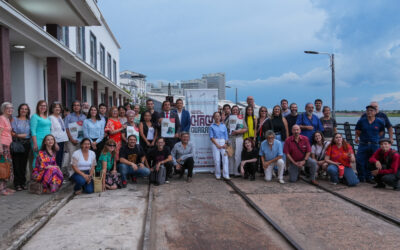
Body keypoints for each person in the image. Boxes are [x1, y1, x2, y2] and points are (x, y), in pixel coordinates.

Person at [355, 105, 385, 183]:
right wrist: (359, 137)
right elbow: (357, 130)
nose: (369, 112)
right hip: (363, 144)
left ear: (375, 112)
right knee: (359, 160)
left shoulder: (379, 122)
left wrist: (376, 138)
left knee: (372, 161)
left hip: (374, 144)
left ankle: (369, 177)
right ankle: (361, 177)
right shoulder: (362, 121)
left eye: (371, 110)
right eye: (368, 110)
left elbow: (382, 131)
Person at [11, 103, 31, 191]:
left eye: (26, 109)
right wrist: (20, 135)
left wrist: (23, 136)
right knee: (16, 164)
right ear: (19, 110)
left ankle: (23, 182)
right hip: (17, 143)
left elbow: (30, 133)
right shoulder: (14, 119)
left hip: (26, 144)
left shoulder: (29, 120)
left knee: (23, 164)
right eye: (22, 109)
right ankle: (17, 184)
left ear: (28, 111)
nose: (24, 110)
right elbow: (11, 132)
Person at [64, 101, 86, 178]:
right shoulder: (68, 117)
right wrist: (71, 139)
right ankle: (71, 174)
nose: (76, 107)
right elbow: (66, 129)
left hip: (81, 141)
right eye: (74, 105)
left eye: (78, 105)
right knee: (72, 156)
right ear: (72, 107)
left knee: (80, 157)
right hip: (71, 141)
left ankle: (79, 173)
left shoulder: (84, 117)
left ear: (80, 107)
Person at [226, 105, 248, 176]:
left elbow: (245, 129)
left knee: (237, 155)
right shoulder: (229, 118)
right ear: (231, 111)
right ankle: (231, 171)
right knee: (230, 155)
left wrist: (238, 132)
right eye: (234, 110)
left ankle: (237, 172)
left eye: (236, 110)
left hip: (239, 138)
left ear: (238, 111)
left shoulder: (241, 119)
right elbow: (224, 128)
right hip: (230, 138)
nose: (235, 111)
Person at [31, 100, 52, 167]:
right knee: (38, 157)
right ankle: (36, 175)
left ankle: (44, 175)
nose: (43, 107)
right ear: (38, 107)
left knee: (45, 158)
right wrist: (35, 143)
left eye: (44, 106)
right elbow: (33, 130)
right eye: (41, 105)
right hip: (38, 140)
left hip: (47, 141)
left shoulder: (47, 117)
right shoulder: (35, 116)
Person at [0, 102, 15, 195]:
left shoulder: (7, 119)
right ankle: (2, 189)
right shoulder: (1, 118)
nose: (10, 110)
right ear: (3, 109)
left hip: (8, 146)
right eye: (7, 108)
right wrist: (0, 147)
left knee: (8, 167)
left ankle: (5, 187)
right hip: (3, 145)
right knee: (3, 167)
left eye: (11, 108)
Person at [209, 112, 230, 180]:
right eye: (216, 116)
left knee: (225, 159)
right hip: (215, 142)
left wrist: (225, 144)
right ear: (214, 117)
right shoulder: (211, 126)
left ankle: (226, 174)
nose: (217, 117)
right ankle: (218, 174)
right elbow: (211, 137)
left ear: (220, 117)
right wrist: (217, 145)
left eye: (218, 116)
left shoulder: (223, 125)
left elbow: (226, 136)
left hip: (224, 142)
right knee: (217, 160)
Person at [49, 102, 68, 169]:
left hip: (62, 140)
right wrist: (55, 143)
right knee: (56, 159)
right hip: (56, 141)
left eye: (59, 107)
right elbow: (51, 131)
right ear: (52, 109)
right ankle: (55, 175)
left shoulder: (60, 117)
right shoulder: (51, 118)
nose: (57, 108)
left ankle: (58, 174)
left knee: (60, 159)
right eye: (55, 107)